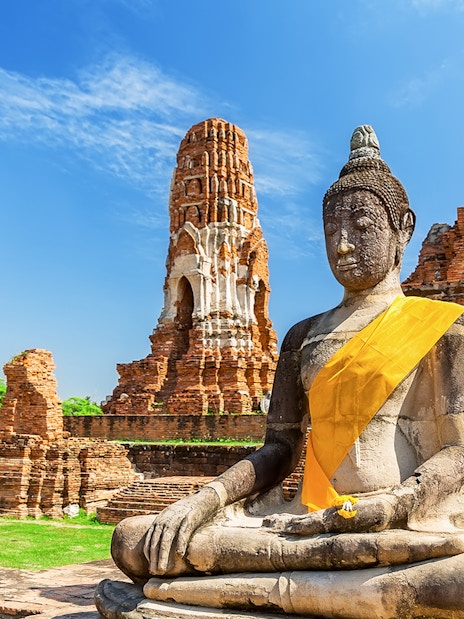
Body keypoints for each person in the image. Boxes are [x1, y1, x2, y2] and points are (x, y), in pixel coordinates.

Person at [99, 126, 464, 619]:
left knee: (453, 580)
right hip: (306, 524)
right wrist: (204, 500)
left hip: (396, 524)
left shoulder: (443, 327)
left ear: (403, 226)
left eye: (361, 227)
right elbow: (280, 449)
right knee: (136, 540)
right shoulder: (303, 336)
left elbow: (459, 451)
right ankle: (336, 595)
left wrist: (392, 506)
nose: (343, 246)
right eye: (332, 230)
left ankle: (236, 591)